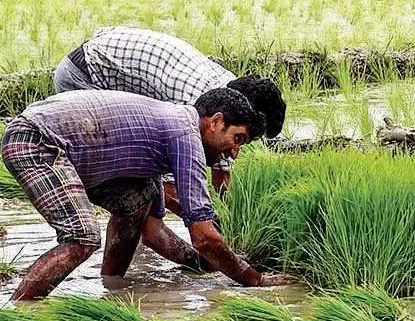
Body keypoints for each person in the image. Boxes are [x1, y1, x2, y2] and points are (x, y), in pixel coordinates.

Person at [1, 87, 288, 300]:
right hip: (36, 140)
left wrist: (202, 264)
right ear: (215, 122)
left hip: (66, 147)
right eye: (237, 139)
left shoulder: (166, 132)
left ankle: (112, 286)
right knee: (82, 236)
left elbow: (152, 232)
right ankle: (20, 309)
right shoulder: (185, 137)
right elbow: (204, 237)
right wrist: (254, 279)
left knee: (139, 198)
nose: (234, 153)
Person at [54, 26, 286, 198]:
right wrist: (211, 227)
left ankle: (140, 238)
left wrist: (231, 212)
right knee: (133, 185)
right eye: (243, 137)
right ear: (220, 119)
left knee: (142, 191)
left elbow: (221, 164)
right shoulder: (192, 104)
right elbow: (169, 184)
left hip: (115, 64)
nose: (236, 152)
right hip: (85, 76)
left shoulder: (231, 93)